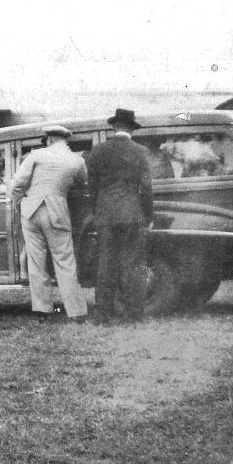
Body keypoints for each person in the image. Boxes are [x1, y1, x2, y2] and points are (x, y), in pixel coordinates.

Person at [10, 125, 89, 323]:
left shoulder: (36, 156)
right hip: (57, 212)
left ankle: (42, 311)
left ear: (49, 139)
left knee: (36, 262)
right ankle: (76, 312)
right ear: (65, 140)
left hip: (30, 211)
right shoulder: (77, 161)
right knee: (65, 261)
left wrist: (21, 205)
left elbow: (17, 185)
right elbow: (83, 183)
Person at [87, 108, 153, 322]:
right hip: (133, 214)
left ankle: (102, 315)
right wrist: (148, 216)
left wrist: (96, 212)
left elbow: (93, 187)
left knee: (106, 264)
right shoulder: (141, 151)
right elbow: (146, 188)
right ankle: (134, 315)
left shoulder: (98, 151)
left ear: (114, 127)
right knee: (134, 265)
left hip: (105, 215)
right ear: (132, 129)